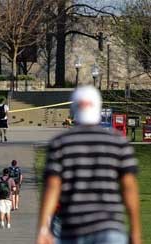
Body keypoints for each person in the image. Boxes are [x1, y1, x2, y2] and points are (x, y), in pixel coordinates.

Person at [37, 86, 141, 244]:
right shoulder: (118, 142)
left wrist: (43, 228)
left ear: (73, 109)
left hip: (72, 229)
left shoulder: (60, 143)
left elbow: (52, 186)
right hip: (109, 227)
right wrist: (135, 230)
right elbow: (129, 187)